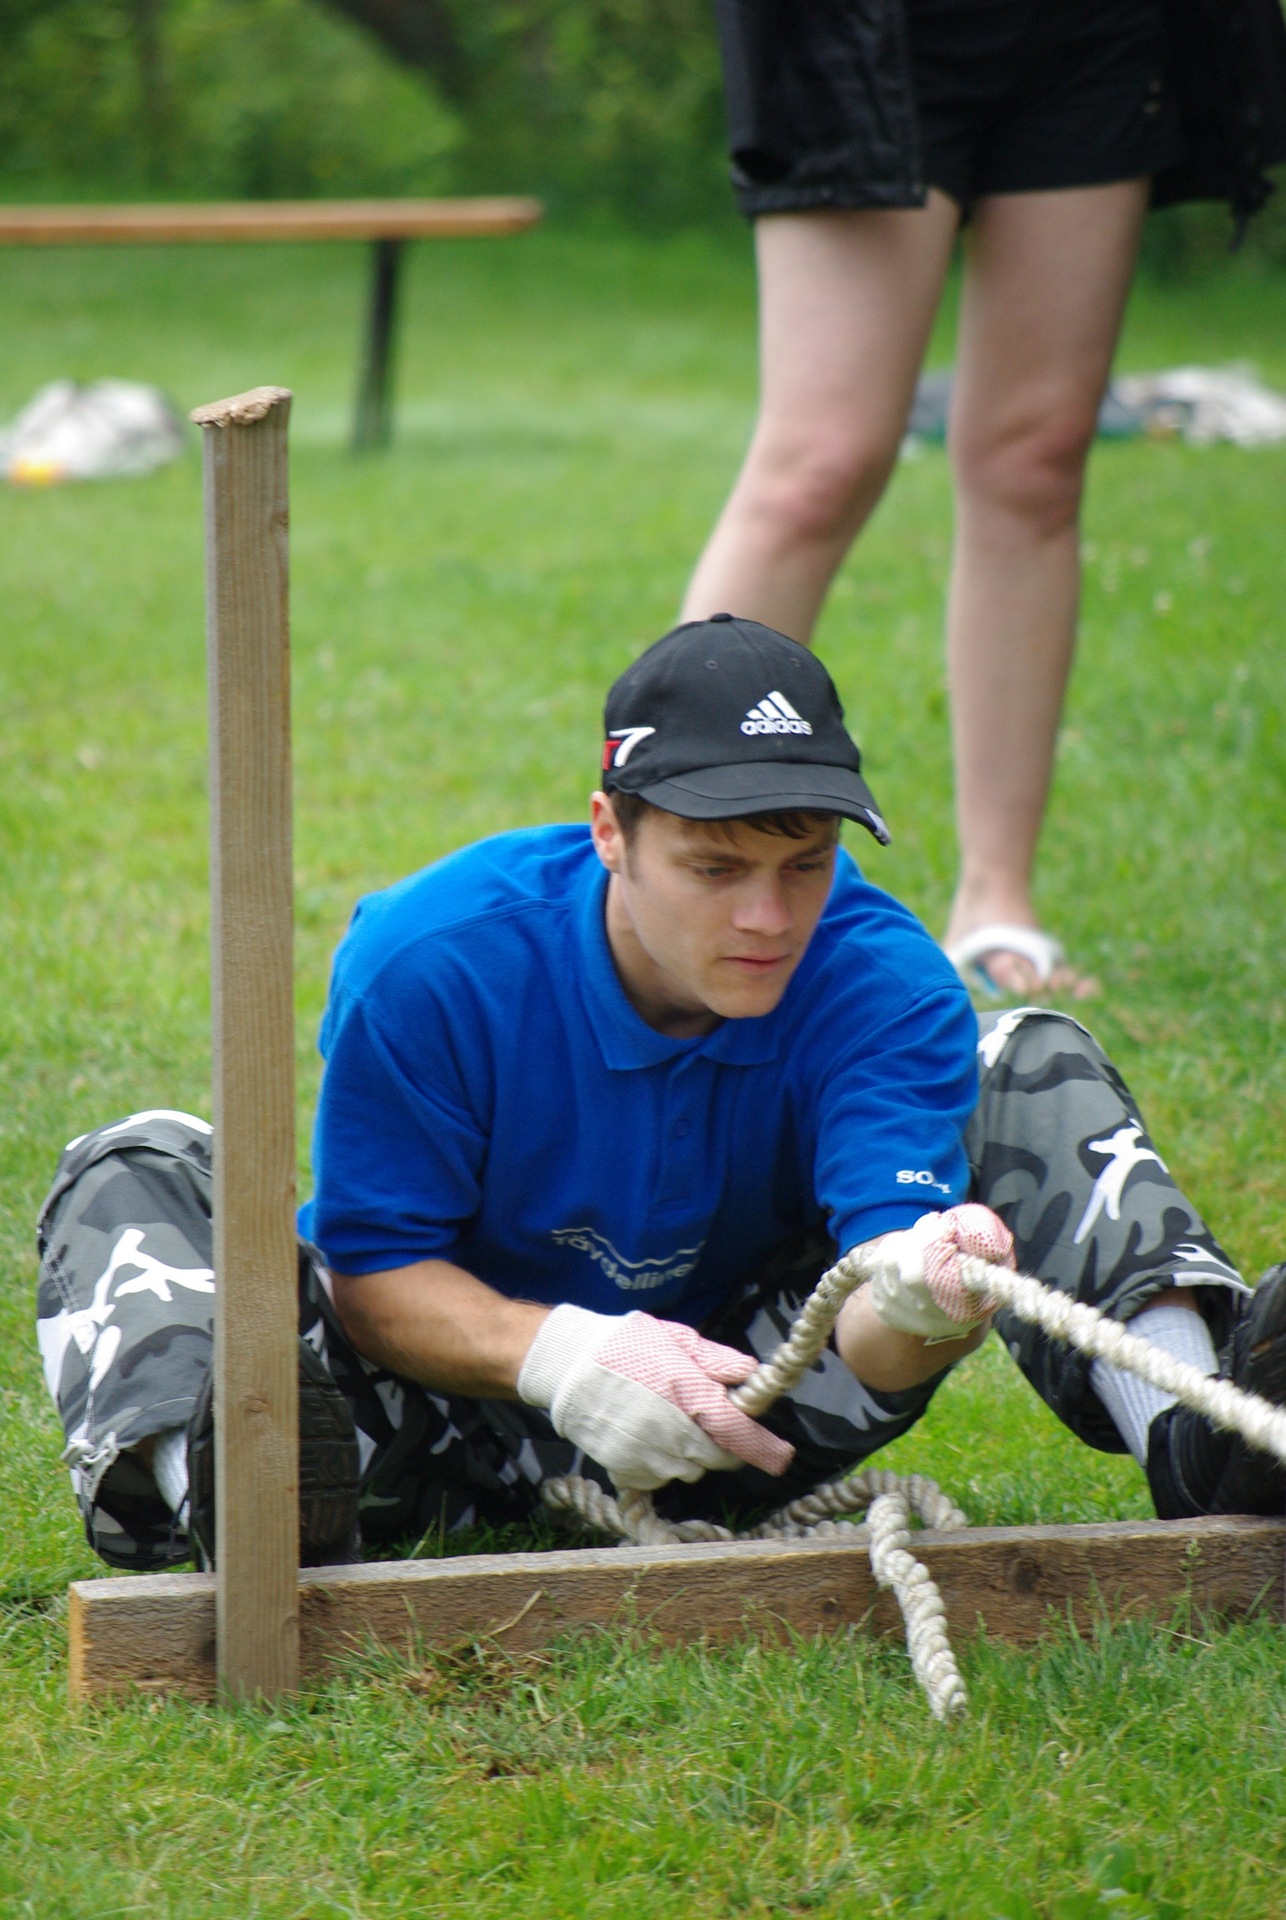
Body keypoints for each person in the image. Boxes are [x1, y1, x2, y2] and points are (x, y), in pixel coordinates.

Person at [35, 617, 1286, 1573]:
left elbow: (869, 1331)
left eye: (805, 865)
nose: (767, 917)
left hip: (736, 1410)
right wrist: (562, 1354)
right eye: (714, 867)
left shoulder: (880, 978)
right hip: (423, 1417)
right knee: (138, 1160)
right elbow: (373, 1279)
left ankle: (1195, 1432)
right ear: (607, 832)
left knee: (1024, 1056)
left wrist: (918, 1294)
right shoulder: (432, 960)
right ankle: (239, 1499)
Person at [684, 0, 1286, 998]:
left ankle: (995, 899)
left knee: (1034, 462)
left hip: (1091, 31)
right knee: (819, 464)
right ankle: (669, 865)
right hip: (872, 29)